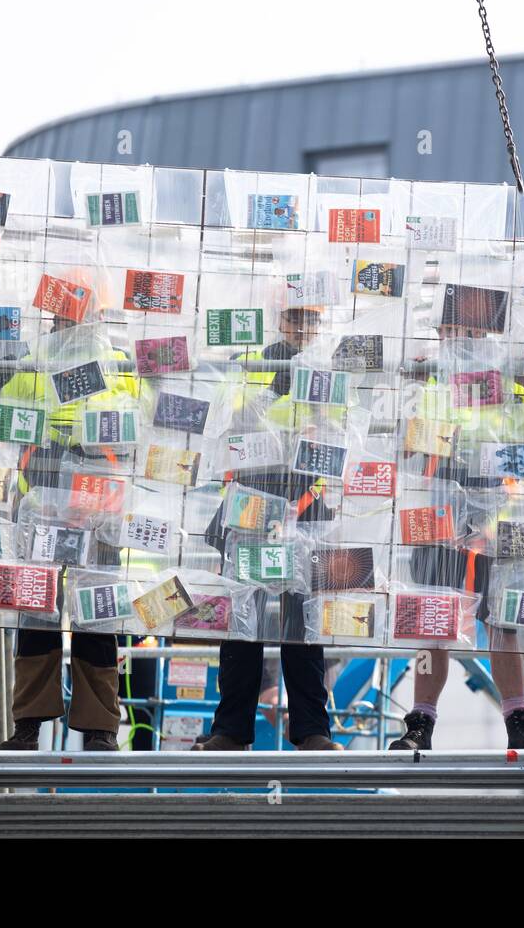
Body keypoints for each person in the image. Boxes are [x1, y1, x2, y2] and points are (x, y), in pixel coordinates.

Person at [388, 307, 524, 751]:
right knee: (432, 623)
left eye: (470, 329)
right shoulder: (431, 382)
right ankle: (420, 721)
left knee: (503, 622)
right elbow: (408, 445)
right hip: (441, 514)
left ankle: (518, 718)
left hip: (497, 510)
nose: (460, 338)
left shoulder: (505, 380)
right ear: (441, 333)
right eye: (452, 329)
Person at [0, 279, 143, 752]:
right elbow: (3, 415)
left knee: (97, 616)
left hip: (99, 507)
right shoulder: (34, 363)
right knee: (35, 614)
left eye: (71, 316)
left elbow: (141, 422)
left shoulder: (119, 365)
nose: (63, 325)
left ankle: (99, 726)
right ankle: (28, 724)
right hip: (41, 503)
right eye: (57, 317)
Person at [192, 298, 340, 751]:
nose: (303, 328)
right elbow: (227, 423)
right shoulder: (249, 363)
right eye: (295, 318)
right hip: (250, 506)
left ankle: (312, 729)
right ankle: (231, 729)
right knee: (241, 621)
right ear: (278, 318)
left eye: (311, 319)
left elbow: (341, 433)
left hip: (307, 507)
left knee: (305, 622)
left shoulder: (332, 369)